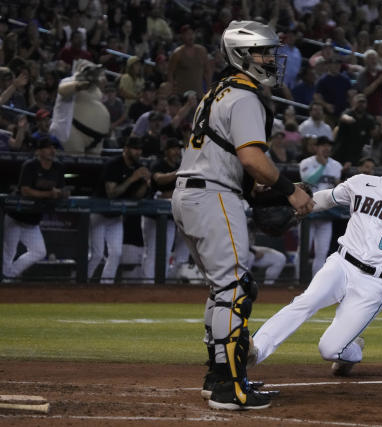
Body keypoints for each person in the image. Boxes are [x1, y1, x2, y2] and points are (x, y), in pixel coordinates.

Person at [171, 21, 314, 411]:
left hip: (193, 194)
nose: (270, 58)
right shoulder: (245, 96)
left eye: (270, 51)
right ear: (240, 54)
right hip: (214, 194)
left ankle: (218, 375)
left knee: (222, 289)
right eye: (263, 52)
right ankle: (231, 386)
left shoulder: (216, 91)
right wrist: (291, 191)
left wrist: (258, 192)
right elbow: (252, 159)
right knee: (235, 289)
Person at [249, 130, 382, 377]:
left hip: (374, 283)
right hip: (341, 264)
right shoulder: (362, 182)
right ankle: (255, 350)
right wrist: (294, 200)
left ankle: (352, 350)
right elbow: (327, 198)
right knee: (305, 302)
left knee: (330, 349)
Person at [88, 137, 150, 284]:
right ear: (126, 149)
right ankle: (81, 284)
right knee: (97, 254)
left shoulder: (138, 167)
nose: (138, 152)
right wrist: (133, 178)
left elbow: (136, 196)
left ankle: (106, 285)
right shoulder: (113, 164)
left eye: (140, 149)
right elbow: (112, 193)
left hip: (115, 217)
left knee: (116, 253)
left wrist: (146, 184)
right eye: (135, 148)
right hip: (99, 213)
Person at [3, 138, 65, 280]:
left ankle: (8, 275)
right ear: (38, 151)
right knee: (8, 252)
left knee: (39, 251)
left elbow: (61, 189)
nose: (52, 150)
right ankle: (5, 281)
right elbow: (25, 191)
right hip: (16, 216)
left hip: (33, 219)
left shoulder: (58, 167)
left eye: (53, 147)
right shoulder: (30, 166)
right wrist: (49, 194)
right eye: (48, 147)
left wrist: (62, 193)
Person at [141, 138, 189, 282]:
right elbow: (159, 179)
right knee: (153, 252)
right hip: (152, 216)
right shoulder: (158, 163)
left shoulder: (179, 165)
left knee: (167, 252)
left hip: (169, 217)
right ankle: (147, 285)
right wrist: (179, 172)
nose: (176, 152)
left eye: (177, 148)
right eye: (173, 148)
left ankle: (164, 283)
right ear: (166, 151)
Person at [299, 136, 342, 275]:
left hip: (326, 213)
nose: (326, 148)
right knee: (304, 249)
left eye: (329, 145)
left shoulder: (336, 165)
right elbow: (307, 180)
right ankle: (297, 280)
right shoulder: (306, 162)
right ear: (316, 147)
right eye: (323, 145)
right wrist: (322, 165)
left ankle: (314, 285)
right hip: (307, 210)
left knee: (322, 252)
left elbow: (337, 188)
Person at [168, 25, 212, 99]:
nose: (190, 36)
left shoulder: (202, 51)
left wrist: (208, 89)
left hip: (199, 94)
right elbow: (170, 72)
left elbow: (207, 71)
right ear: (182, 36)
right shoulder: (177, 53)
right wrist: (172, 90)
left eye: (192, 34)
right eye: (187, 34)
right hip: (182, 94)